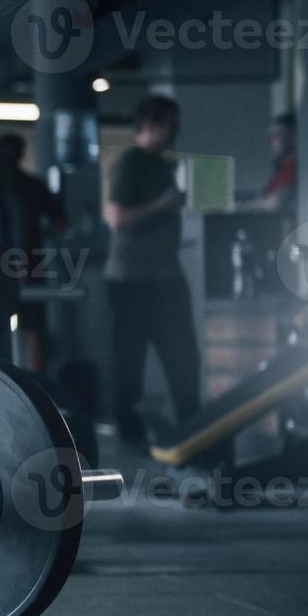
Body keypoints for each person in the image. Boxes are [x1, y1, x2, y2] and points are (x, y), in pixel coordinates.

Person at [102, 95, 200, 445]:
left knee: (184, 360)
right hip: (131, 281)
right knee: (128, 363)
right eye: (171, 124)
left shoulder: (163, 165)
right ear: (151, 125)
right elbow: (116, 218)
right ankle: (130, 436)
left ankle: (194, 432)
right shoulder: (130, 163)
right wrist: (166, 203)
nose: (176, 131)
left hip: (167, 278)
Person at [0, 134, 68, 372]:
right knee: (32, 329)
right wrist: (40, 233)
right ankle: (34, 385)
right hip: (31, 264)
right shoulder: (32, 185)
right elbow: (60, 223)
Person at [240, 113, 296, 216]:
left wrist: (236, 207)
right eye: (271, 136)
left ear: (292, 136)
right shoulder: (281, 169)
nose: (272, 141)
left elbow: (274, 202)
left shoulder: (295, 169)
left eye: (277, 135)